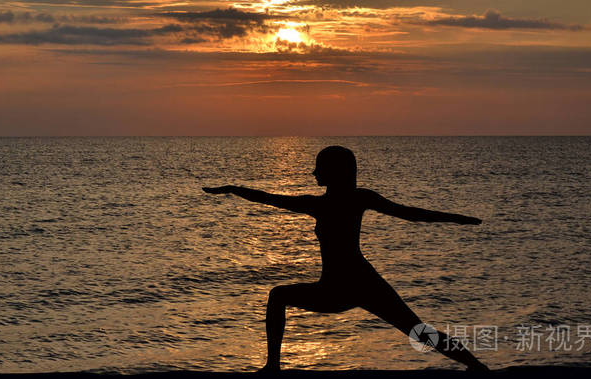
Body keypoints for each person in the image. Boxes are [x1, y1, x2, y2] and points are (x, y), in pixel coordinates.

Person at [203, 146, 489, 372]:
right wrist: (234, 189)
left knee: (279, 296)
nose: (314, 172)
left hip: (348, 286)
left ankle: (273, 368)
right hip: (352, 284)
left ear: (334, 171)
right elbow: (269, 198)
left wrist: (458, 219)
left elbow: (411, 213)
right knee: (417, 330)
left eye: (319, 167)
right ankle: (476, 366)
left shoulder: (335, 202)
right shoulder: (347, 199)